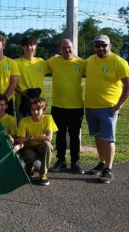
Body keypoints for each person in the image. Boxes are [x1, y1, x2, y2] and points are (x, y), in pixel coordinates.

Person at [85, 35, 129, 183]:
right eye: (97, 45)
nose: (100, 48)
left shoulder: (118, 61)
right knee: (98, 136)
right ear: (94, 47)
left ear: (110, 46)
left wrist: (118, 105)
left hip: (108, 108)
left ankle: (109, 169)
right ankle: (101, 163)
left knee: (108, 139)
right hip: (90, 107)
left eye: (103, 45)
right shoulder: (89, 61)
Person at [47, 39, 86, 174]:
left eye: (69, 47)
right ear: (60, 49)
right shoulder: (53, 61)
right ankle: (61, 161)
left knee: (75, 136)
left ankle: (75, 162)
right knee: (60, 135)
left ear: (73, 48)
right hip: (58, 106)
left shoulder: (81, 63)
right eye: (64, 48)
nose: (66, 50)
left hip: (76, 107)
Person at [17, 97, 57, 186]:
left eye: (38, 109)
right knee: (28, 154)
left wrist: (30, 138)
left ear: (44, 109)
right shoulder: (24, 121)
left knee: (47, 145)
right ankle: (29, 167)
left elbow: (48, 138)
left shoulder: (48, 118)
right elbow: (20, 140)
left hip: (42, 147)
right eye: (33, 109)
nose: (35, 112)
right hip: (29, 148)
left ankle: (43, 174)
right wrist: (28, 140)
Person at [14, 36, 48, 120]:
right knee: (22, 131)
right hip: (23, 102)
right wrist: (24, 94)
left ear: (35, 46)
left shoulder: (41, 62)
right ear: (22, 47)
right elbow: (11, 83)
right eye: (26, 45)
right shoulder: (15, 63)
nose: (29, 48)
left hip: (40, 103)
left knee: (39, 131)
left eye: (31, 45)